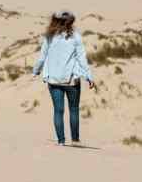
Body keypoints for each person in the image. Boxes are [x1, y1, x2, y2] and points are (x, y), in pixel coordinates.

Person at [32, 10, 95, 146]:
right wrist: (89, 76)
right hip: (71, 80)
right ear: (71, 22)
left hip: (54, 80)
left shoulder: (49, 37)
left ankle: (61, 141)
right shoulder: (76, 37)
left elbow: (42, 57)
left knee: (58, 111)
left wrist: (36, 71)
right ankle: (75, 139)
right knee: (73, 109)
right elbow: (82, 58)